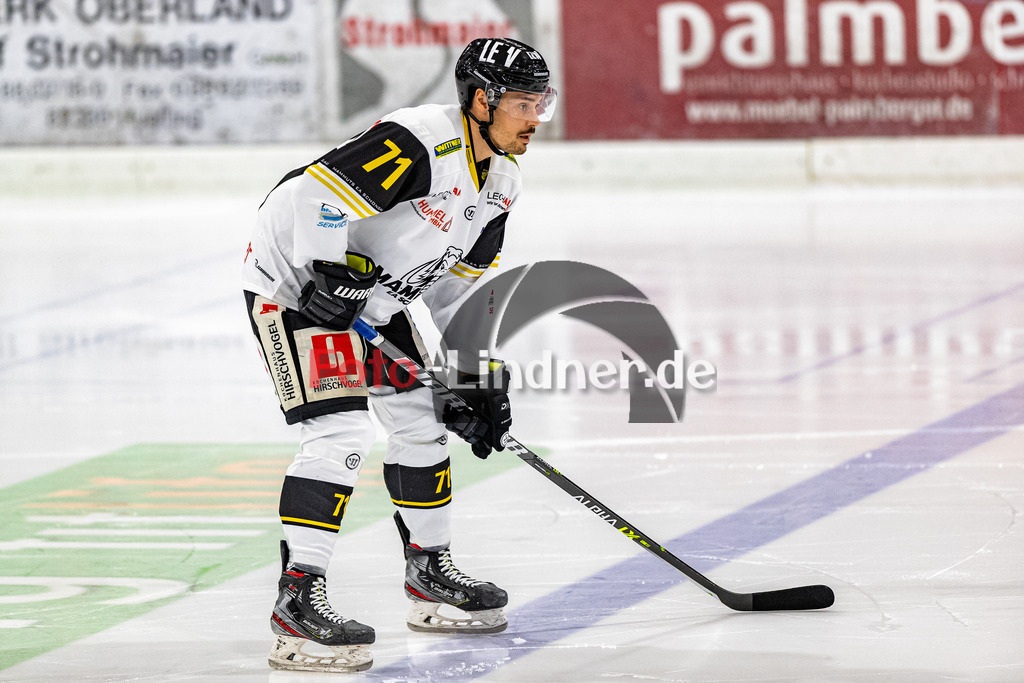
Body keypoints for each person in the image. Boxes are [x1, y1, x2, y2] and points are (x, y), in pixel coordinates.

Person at [241, 37, 556, 673]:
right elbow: (311, 197)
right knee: (339, 433)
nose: (534, 119)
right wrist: (326, 271)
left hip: (374, 296)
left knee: (423, 420)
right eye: (523, 104)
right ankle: (296, 604)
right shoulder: (420, 140)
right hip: (299, 286)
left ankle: (428, 577)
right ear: (480, 100)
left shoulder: (501, 183)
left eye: (540, 104)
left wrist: (469, 377)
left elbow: (455, 290)